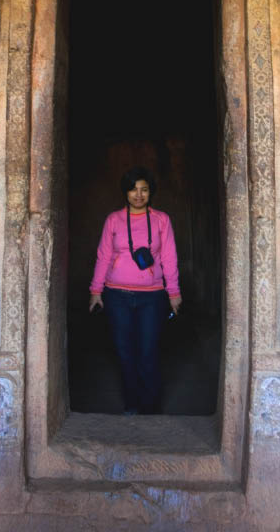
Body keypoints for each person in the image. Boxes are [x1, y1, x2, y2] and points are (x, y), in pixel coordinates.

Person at [89, 166, 182, 415]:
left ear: (151, 193)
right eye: (133, 190)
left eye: (144, 190)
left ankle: (150, 408)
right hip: (117, 295)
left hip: (151, 297)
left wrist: (173, 293)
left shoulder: (162, 220)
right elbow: (104, 256)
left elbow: (169, 257)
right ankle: (132, 404)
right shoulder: (114, 220)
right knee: (124, 352)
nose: (138, 195)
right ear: (125, 193)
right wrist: (96, 290)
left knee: (148, 352)